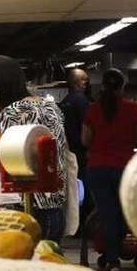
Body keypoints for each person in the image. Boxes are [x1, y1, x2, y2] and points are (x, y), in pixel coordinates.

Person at [0, 55, 69, 243]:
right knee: (50, 256)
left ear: (2, 88)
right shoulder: (51, 107)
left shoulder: (13, 112)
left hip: (28, 208)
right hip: (55, 207)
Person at [81, 69, 137, 271]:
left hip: (97, 168)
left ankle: (112, 260)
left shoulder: (93, 109)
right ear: (122, 87)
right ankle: (117, 252)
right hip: (125, 168)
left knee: (106, 213)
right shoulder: (133, 109)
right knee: (123, 212)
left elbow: (84, 140)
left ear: (103, 86)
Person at [60, 68, 93, 236]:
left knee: (74, 190)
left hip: (69, 151)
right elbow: (88, 126)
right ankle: (84, 227)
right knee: (85, 191)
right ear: (77, 82)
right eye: (84, 80)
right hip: (82, 152)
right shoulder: (81, 100)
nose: (87, 83)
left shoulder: (65, 100)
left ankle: (75, 226)